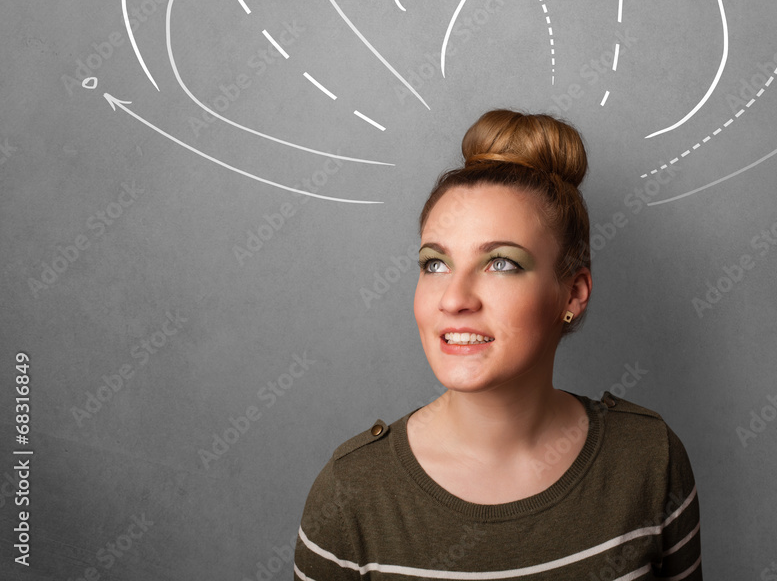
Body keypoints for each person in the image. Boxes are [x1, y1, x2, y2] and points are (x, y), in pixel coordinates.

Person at [294, 109, 702, 579]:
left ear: (573, 293)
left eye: (502, 263)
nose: (454, 298)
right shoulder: (351, 495)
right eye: (435, 264)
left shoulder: (650, 459)